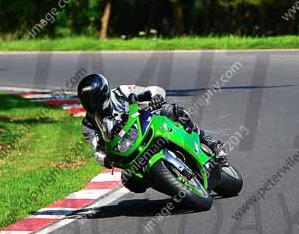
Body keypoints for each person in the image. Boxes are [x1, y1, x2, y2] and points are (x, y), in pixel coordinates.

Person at [77, 73, 228, 192]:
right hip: (129, 150)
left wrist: (156, 97)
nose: (92, 104)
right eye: (87, 101)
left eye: (94, 99)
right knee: (130, 182)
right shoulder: (88, 125)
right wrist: (105, 159)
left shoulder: (121, 92)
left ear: (104, 92)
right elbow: (95, 149)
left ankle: (210, 142)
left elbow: (154, 89)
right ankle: (163, 181)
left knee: (174, 111)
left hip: (148, 123)